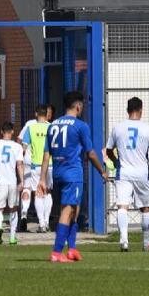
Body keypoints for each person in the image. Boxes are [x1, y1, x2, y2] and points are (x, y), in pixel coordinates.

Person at [39, 91, 107, 263]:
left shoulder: (53, 125)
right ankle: (56, 252)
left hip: (58, 173)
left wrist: (42, 178)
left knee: (74, 211)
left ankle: (72, 249)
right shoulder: (80, 126)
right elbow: (90, 153)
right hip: (73, 174)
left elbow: (46, 154)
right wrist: (102, 171)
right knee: (67, 210)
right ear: (78, 106)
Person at [105, 97, 149, 252]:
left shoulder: (118, 128)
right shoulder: (147, 129)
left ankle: (124, 240)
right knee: (145, 208)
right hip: (141, 174)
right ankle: (146, 243)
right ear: (140, 110)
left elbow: (108, 150)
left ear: (127, 110)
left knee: (122, 206)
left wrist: (116, 161)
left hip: (123, 172)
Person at [0, 122, 25, 246]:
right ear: (13, 132)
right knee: (13, 209)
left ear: (1, 132)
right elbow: (19, 165)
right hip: (12, 182)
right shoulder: (17, 147)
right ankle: (13, 237)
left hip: (0, 182)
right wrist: (22, 181)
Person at [19, 105, 52, 233]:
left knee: (37, 193)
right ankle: (47, 222)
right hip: (50, 165)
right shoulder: (51, 127)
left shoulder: (30, 128)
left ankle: (41, 223)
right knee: (48, 192)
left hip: (36, 165)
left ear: (36, 114)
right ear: (47, 114)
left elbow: (24, 147)